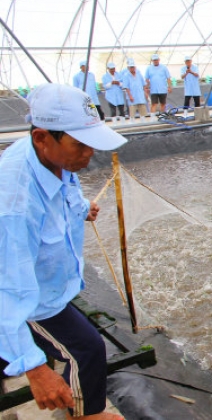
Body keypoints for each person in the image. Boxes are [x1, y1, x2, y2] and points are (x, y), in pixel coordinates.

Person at [0, 83, 128, 420]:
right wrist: (35, 370)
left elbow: (61, 197)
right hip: (29, 297)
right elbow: (7, 289)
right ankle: (89, 415)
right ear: (43, 137)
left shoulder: (56, 161)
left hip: (47, 285)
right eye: (80, 146)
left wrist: (81, 208)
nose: (88, 154)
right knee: (86, 348)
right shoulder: (14, 202)